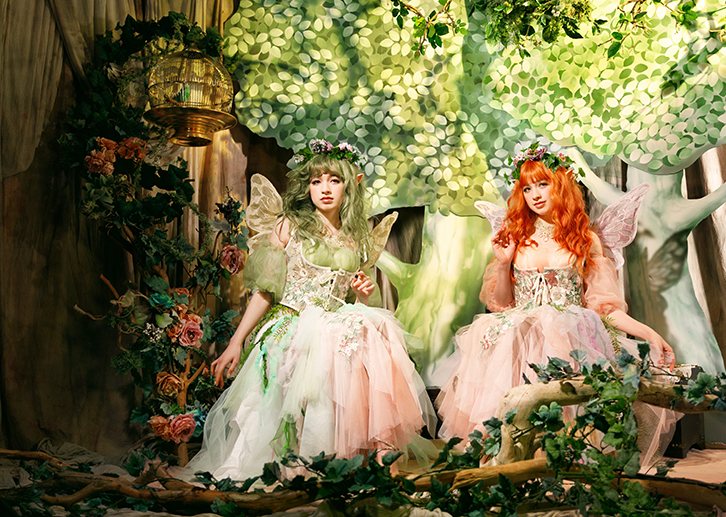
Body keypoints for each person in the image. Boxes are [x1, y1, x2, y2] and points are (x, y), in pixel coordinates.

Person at [183, 139, 434, 480]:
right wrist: (236, 341)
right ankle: (298, 467)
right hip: (293, 322)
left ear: (350, 185)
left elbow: (353, 300)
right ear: (307, 187)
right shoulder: (290, 225)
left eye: (334, 180)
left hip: (334, 323)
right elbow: (265, 290)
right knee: (333, 343)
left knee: (374, 329)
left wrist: (362, 295)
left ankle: (371, 461)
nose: (325, 189)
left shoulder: (355, 237)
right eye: (317, 181)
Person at [435, 145, 676, 463]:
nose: (535, 194)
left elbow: (605, 308)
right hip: (518, 341)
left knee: (566, 431)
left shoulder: (585, 239)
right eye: (527, 188)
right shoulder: (516, 237)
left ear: (560, 184)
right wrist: (505, 263)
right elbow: (502, 304)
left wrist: (649, 333)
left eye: (542, 184)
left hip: (568, 338)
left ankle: (560, 463)